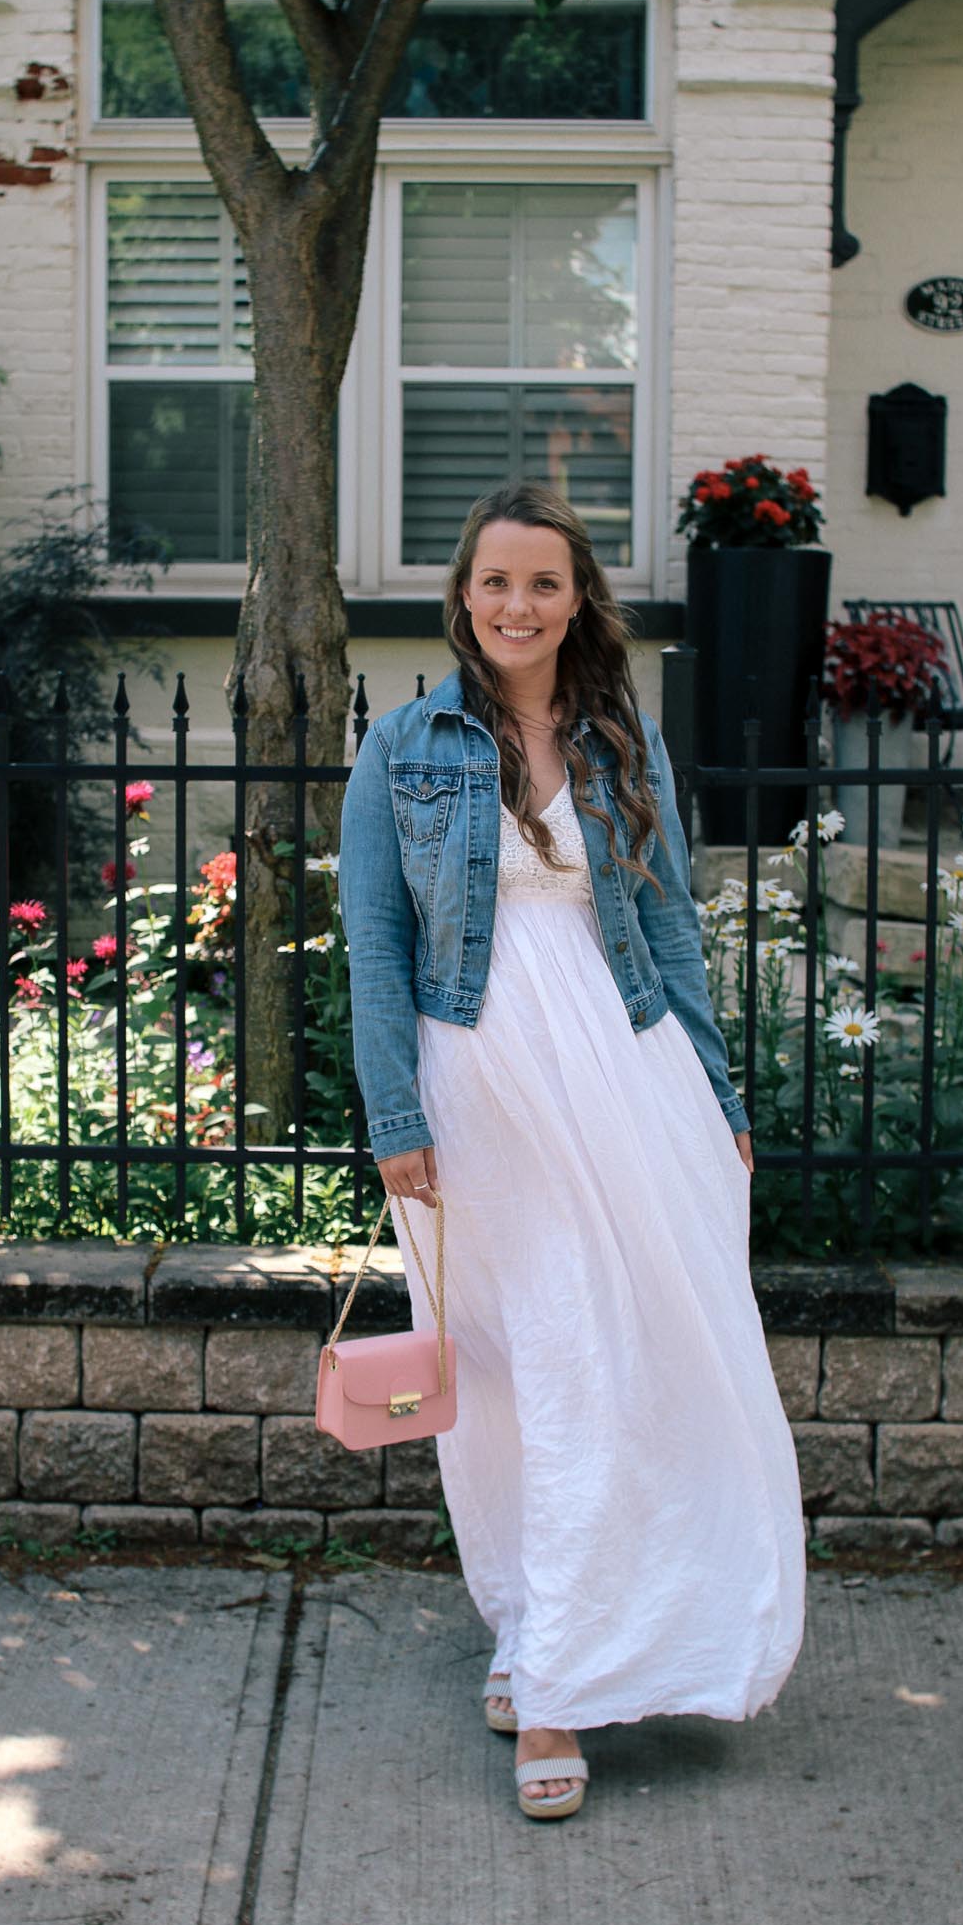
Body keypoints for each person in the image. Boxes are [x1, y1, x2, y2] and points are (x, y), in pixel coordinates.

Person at [337, 481, 806, 1823]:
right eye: (494, 582)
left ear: (575, 599)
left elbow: (667, 930)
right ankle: (538, 1629)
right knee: (515, 1371)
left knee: (620, 1365)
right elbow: (377, 944)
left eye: (542, 583)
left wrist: (714, 1097)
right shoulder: (402, 749)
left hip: (628, 1075)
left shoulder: (619, 737)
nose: (515, 605)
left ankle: (560, 1676)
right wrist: (394, 1116)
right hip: (481, 1084)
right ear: (461, 594)